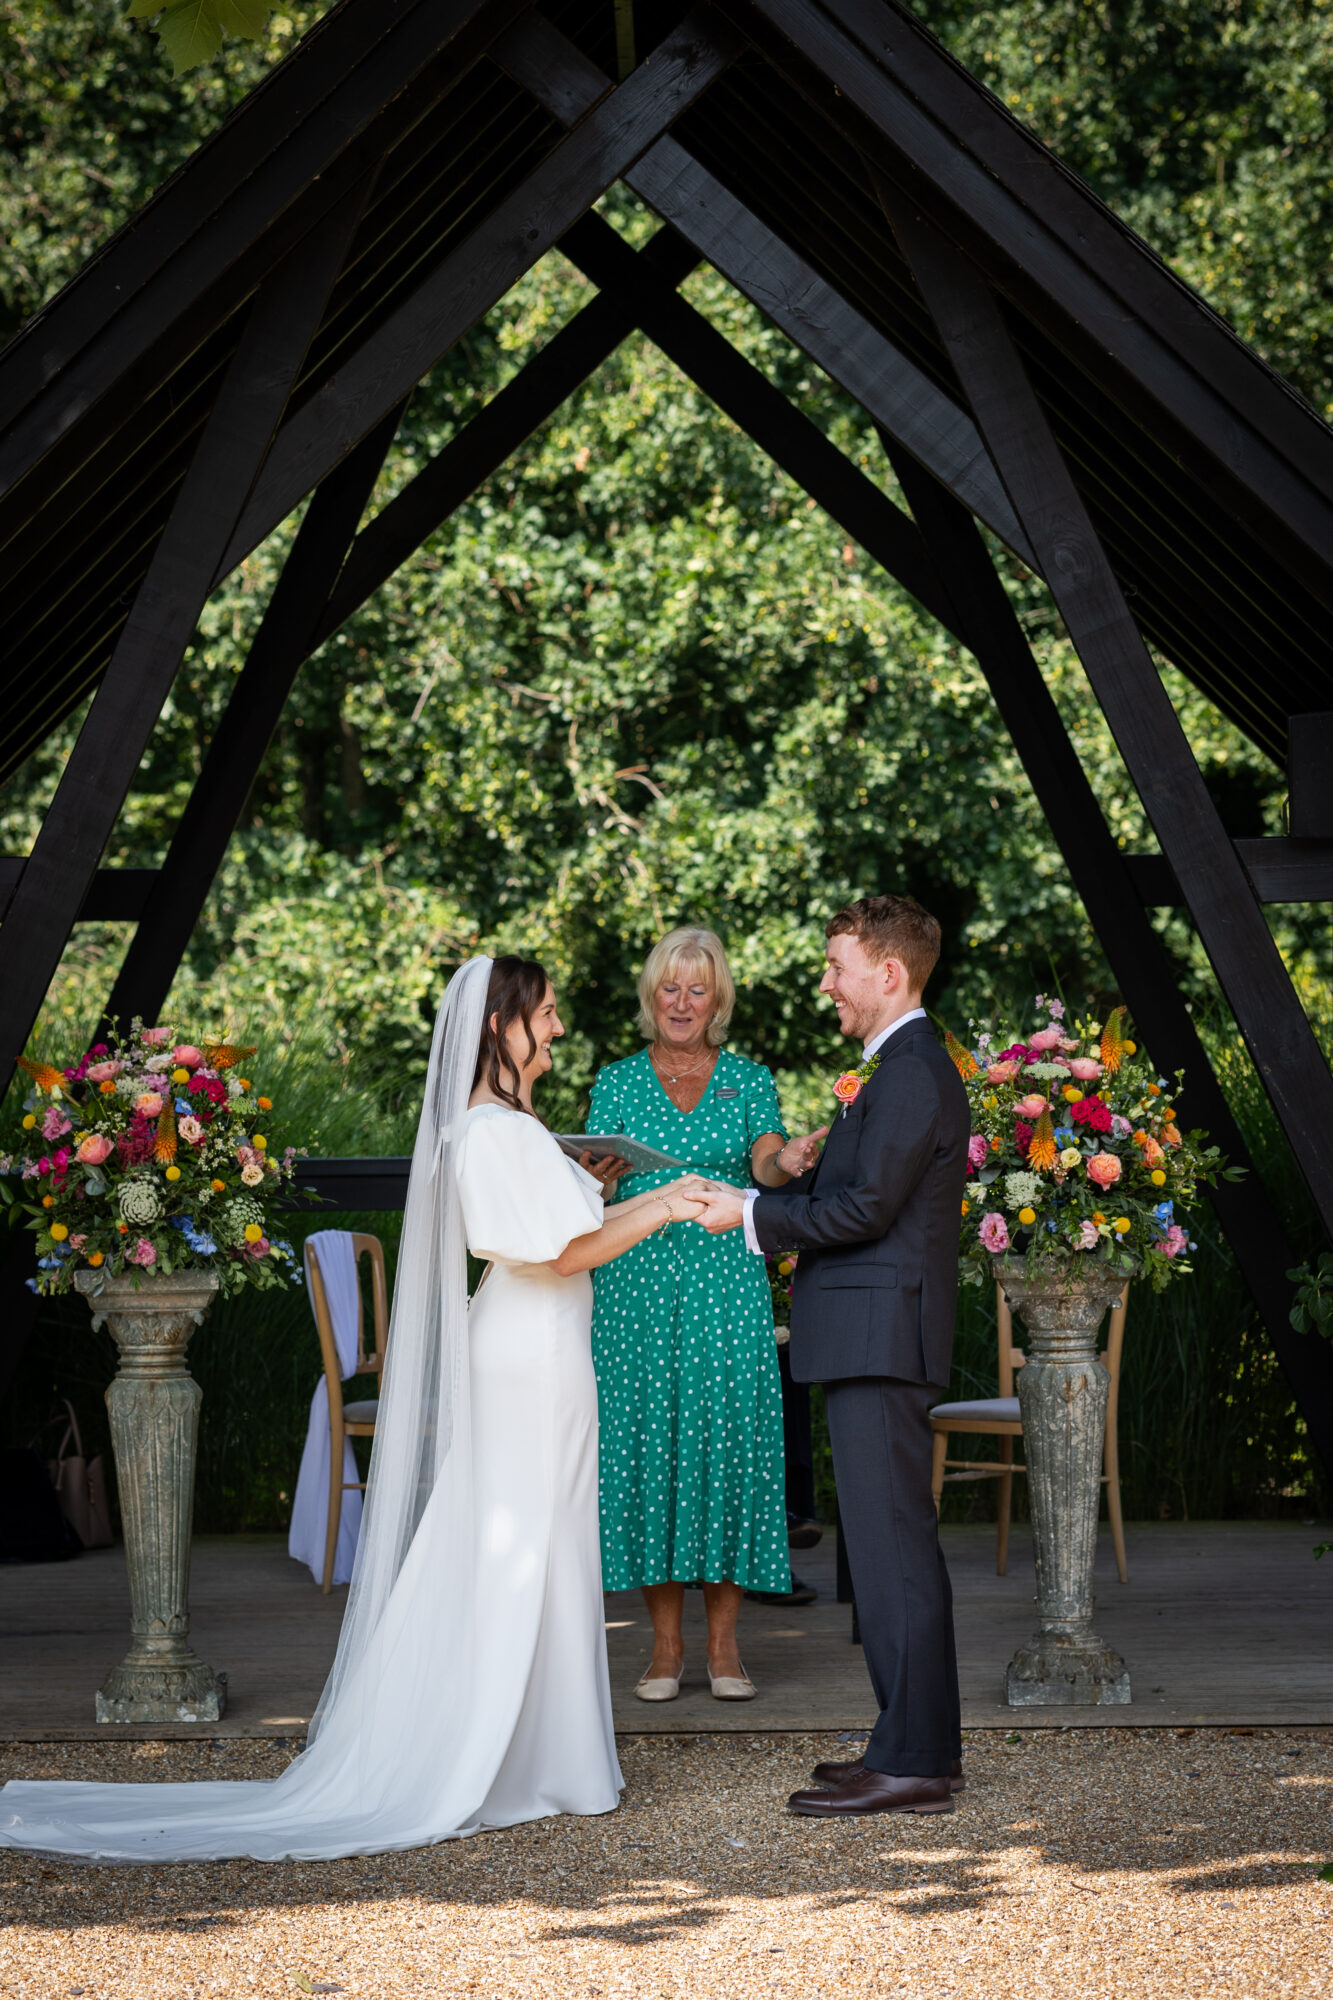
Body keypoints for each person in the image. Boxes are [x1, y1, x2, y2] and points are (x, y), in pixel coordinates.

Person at [0, 956, 709, 1862]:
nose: (560, 1028)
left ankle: (546, 1751)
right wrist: (668, 1208)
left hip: (545, 1349)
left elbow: (558, 1233)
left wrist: (632, 1193)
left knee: (545, 1539)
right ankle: (502, 1756)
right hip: (528, 1356)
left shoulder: (514, 1126)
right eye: (548, 1011)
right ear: (503, 1026)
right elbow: (555, 1256)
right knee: (521, 1544)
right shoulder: (492, 1130)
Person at [694, 896, 969, 1816]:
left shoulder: (908, 1073)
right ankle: (903, 1742)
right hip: (868, 1335)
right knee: (885, 1550)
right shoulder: (891, 1070)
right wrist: (798, 1176)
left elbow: (865, 1215)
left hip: (880, 1338)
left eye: (836, 967)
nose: (826, 984)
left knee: (893, 1551)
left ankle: (917, 1760)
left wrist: (749, 1216)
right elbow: (857, 1190)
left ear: (888, 973)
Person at [587, 925, 826, 1701]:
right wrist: (594, 1177)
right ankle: (663, 1650)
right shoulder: (616, 1081)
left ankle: (725, 1649)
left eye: (697, 989)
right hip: (635, 1293)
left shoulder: (748, 1077)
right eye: (669, 988)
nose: (681, 1002)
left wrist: (784, 1162)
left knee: (727, 1452)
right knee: (648, 1454)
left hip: (726, 1289)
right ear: (651, 997)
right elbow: (592, 1194)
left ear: (716, 998)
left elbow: (763, 1158)